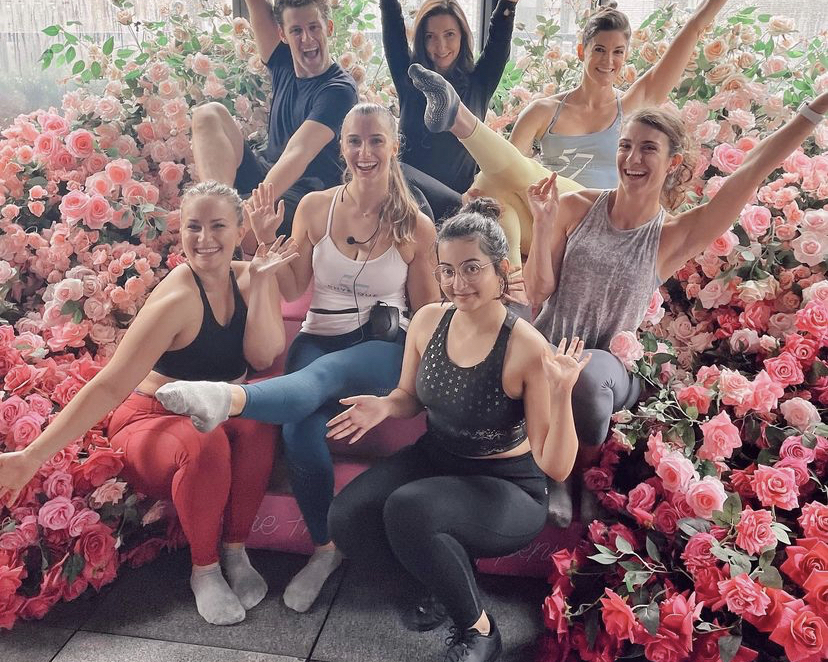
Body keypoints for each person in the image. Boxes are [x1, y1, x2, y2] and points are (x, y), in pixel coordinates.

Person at [155, 102, 440, 613]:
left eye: (376, 140)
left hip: (380, 349)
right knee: (301, 432)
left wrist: (415, 380)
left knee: (324, 373)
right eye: (354, 140)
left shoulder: (414, 226)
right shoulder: (314, 206)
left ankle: (229, 399)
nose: (364, 151)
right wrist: (266, 240)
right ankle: (324, 550)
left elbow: (426, 310)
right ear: (342, 147)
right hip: (318, 334)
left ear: (394, 146)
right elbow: (293, 286)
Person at [407, 0, 810, 267]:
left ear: (627, 57)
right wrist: (480, 191)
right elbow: (502, 174)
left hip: (594, 224)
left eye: (618, 52)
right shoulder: (543, 111)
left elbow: (696, 27)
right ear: (583, 52)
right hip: (544, 229)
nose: (608, 61)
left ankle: (458, 116)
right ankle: (511, 273)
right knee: (501, 196)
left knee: (509, 181)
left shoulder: (631, 107)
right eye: (599, 50)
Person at [521, 89, 828, 525]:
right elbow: (537, 292)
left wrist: (815, 108)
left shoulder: (674, 235)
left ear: (673, 163)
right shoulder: (574, 206)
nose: (633, 158)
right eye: (626, 145)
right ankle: (547, 471)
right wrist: (543, 222)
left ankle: (579, 476)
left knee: (585, 378)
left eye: (649, 148)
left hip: (607, 369)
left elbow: (755, 168)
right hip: (549, 346)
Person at [0, 182, 298, 625]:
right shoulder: (179, 300)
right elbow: (109, 386)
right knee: (206, 440)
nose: (204, 239)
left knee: (257, 425)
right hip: (152, 419)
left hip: (218, 409)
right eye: (193, 227)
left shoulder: (248, 275)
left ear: (240, 230)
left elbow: (262, 355)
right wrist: (32, 455)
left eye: (218, 226)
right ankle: (205, 569)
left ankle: (235, 549)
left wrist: (261, 278)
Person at [326, 199, 589, 662]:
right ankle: (434, 581)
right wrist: (385, 406)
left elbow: (555, 463)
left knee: (410, 508)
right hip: (437, 457)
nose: (457, 283)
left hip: (507, 485)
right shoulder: (428, 320)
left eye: (472, 268)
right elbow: (408, 397)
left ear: (501, 269)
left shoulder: (525, 346)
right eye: (447, 270)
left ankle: (481, 630)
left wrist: (563, 392)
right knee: (348, 516)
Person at [337, 0, 578, 222]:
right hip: (409, 205)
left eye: (449, 35)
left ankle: (464, 199)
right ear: (421, 40)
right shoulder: (411, 79)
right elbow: (390, 11)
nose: (440, 46)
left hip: (463, 207)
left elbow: (504, 14)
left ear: (463, 37)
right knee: (394, 167)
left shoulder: (480, 81)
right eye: (431, 37)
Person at [192, 0, 358, 236]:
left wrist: (249, 214)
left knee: (260, 210)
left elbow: (298, 155)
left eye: (314, 28)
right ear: (282, 35)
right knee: (208, 114)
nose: (307, 39)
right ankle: (215, 210)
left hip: (309, 196)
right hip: (269, 176)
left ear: (328, 29)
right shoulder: (282, 60)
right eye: (296, 31)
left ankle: (225, 230)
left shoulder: (339, 90)